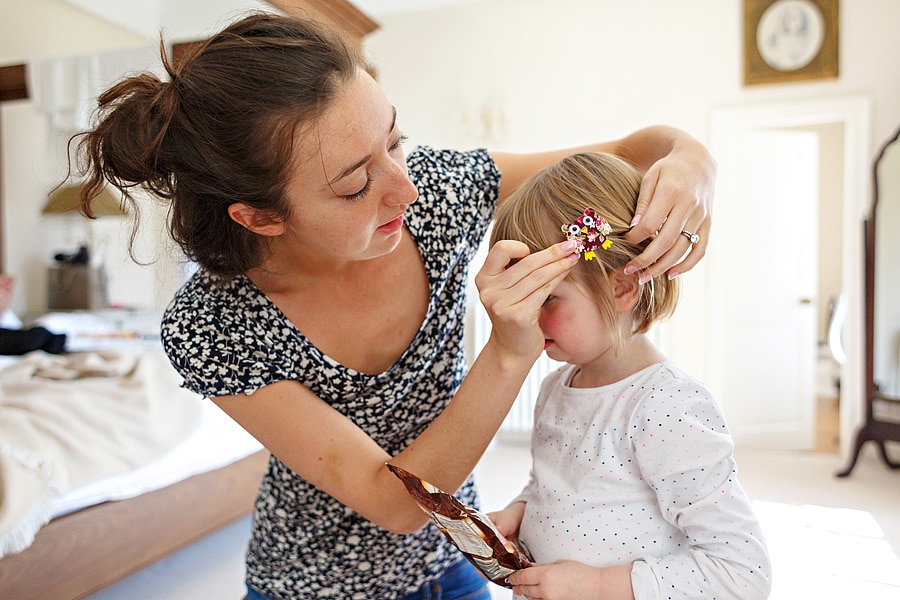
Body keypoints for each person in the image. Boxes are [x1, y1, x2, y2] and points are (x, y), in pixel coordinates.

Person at [69, 12, 717, 600]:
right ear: (260, 216)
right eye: (355, 185)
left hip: (460, 557)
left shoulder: (435, 189)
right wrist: (510, 349)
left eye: (396, 139)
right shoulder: (213, 325)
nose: (405, 187)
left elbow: (641, 150)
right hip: (313, 586)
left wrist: (693, 164)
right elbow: (398, 502)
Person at [486, 152, 770, 600]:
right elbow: (564, 484)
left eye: (547, 298)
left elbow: (742, 572)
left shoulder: (666, 406)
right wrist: (524, 510)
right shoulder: (554, 388)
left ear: (621, 287)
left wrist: (600, 585)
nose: (521, 317)